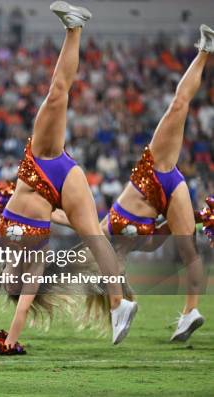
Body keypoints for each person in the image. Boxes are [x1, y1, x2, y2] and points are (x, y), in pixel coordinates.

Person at [0, 2, 136, 353]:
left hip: (41, 166)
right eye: (16, 285)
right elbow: (23, 308)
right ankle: (75, 28)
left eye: (6, 285)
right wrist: (8, 343)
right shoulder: (35, 263)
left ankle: (119, 304)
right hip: (60, 180)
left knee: (57, 96)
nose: (10, 284)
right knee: (96, 237)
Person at [98, 25, 212, 342]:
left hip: (154, 171)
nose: (116, 268)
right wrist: (196, 218)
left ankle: (205, 50)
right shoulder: (143, 244)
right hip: (170, 188)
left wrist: (51, 214)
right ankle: (190, 312)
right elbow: (166, 228)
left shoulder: (107, 233)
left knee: (178, 105)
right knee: (189, 249)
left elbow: (75, 222)